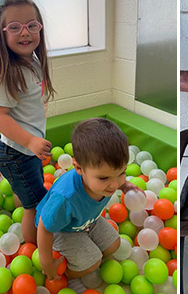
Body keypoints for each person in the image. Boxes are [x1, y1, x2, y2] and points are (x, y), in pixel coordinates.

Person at [34, 118, 144, 292]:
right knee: (92, 262)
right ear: (78, 168)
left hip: (85, 220)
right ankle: (68, 274)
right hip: (60, 229)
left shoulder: (108, 181)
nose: (114, 185)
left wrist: (126, 185)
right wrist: (47, 262)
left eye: (121, 173)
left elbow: (114, 179)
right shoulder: (65, 198)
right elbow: (44, 227)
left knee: (114, 245)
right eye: (104, 178)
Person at [0, 0, 56, 245]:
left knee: (31, 185)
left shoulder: (33, 62)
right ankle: (34, 246)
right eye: (14, 27)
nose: (25, 33)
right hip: (16, 153)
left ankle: (21, 197)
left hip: (26, 151)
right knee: (35, 203)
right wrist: (30, 140)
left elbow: (28, 100)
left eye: (32, 25)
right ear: (2, 35)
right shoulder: (7, 74)